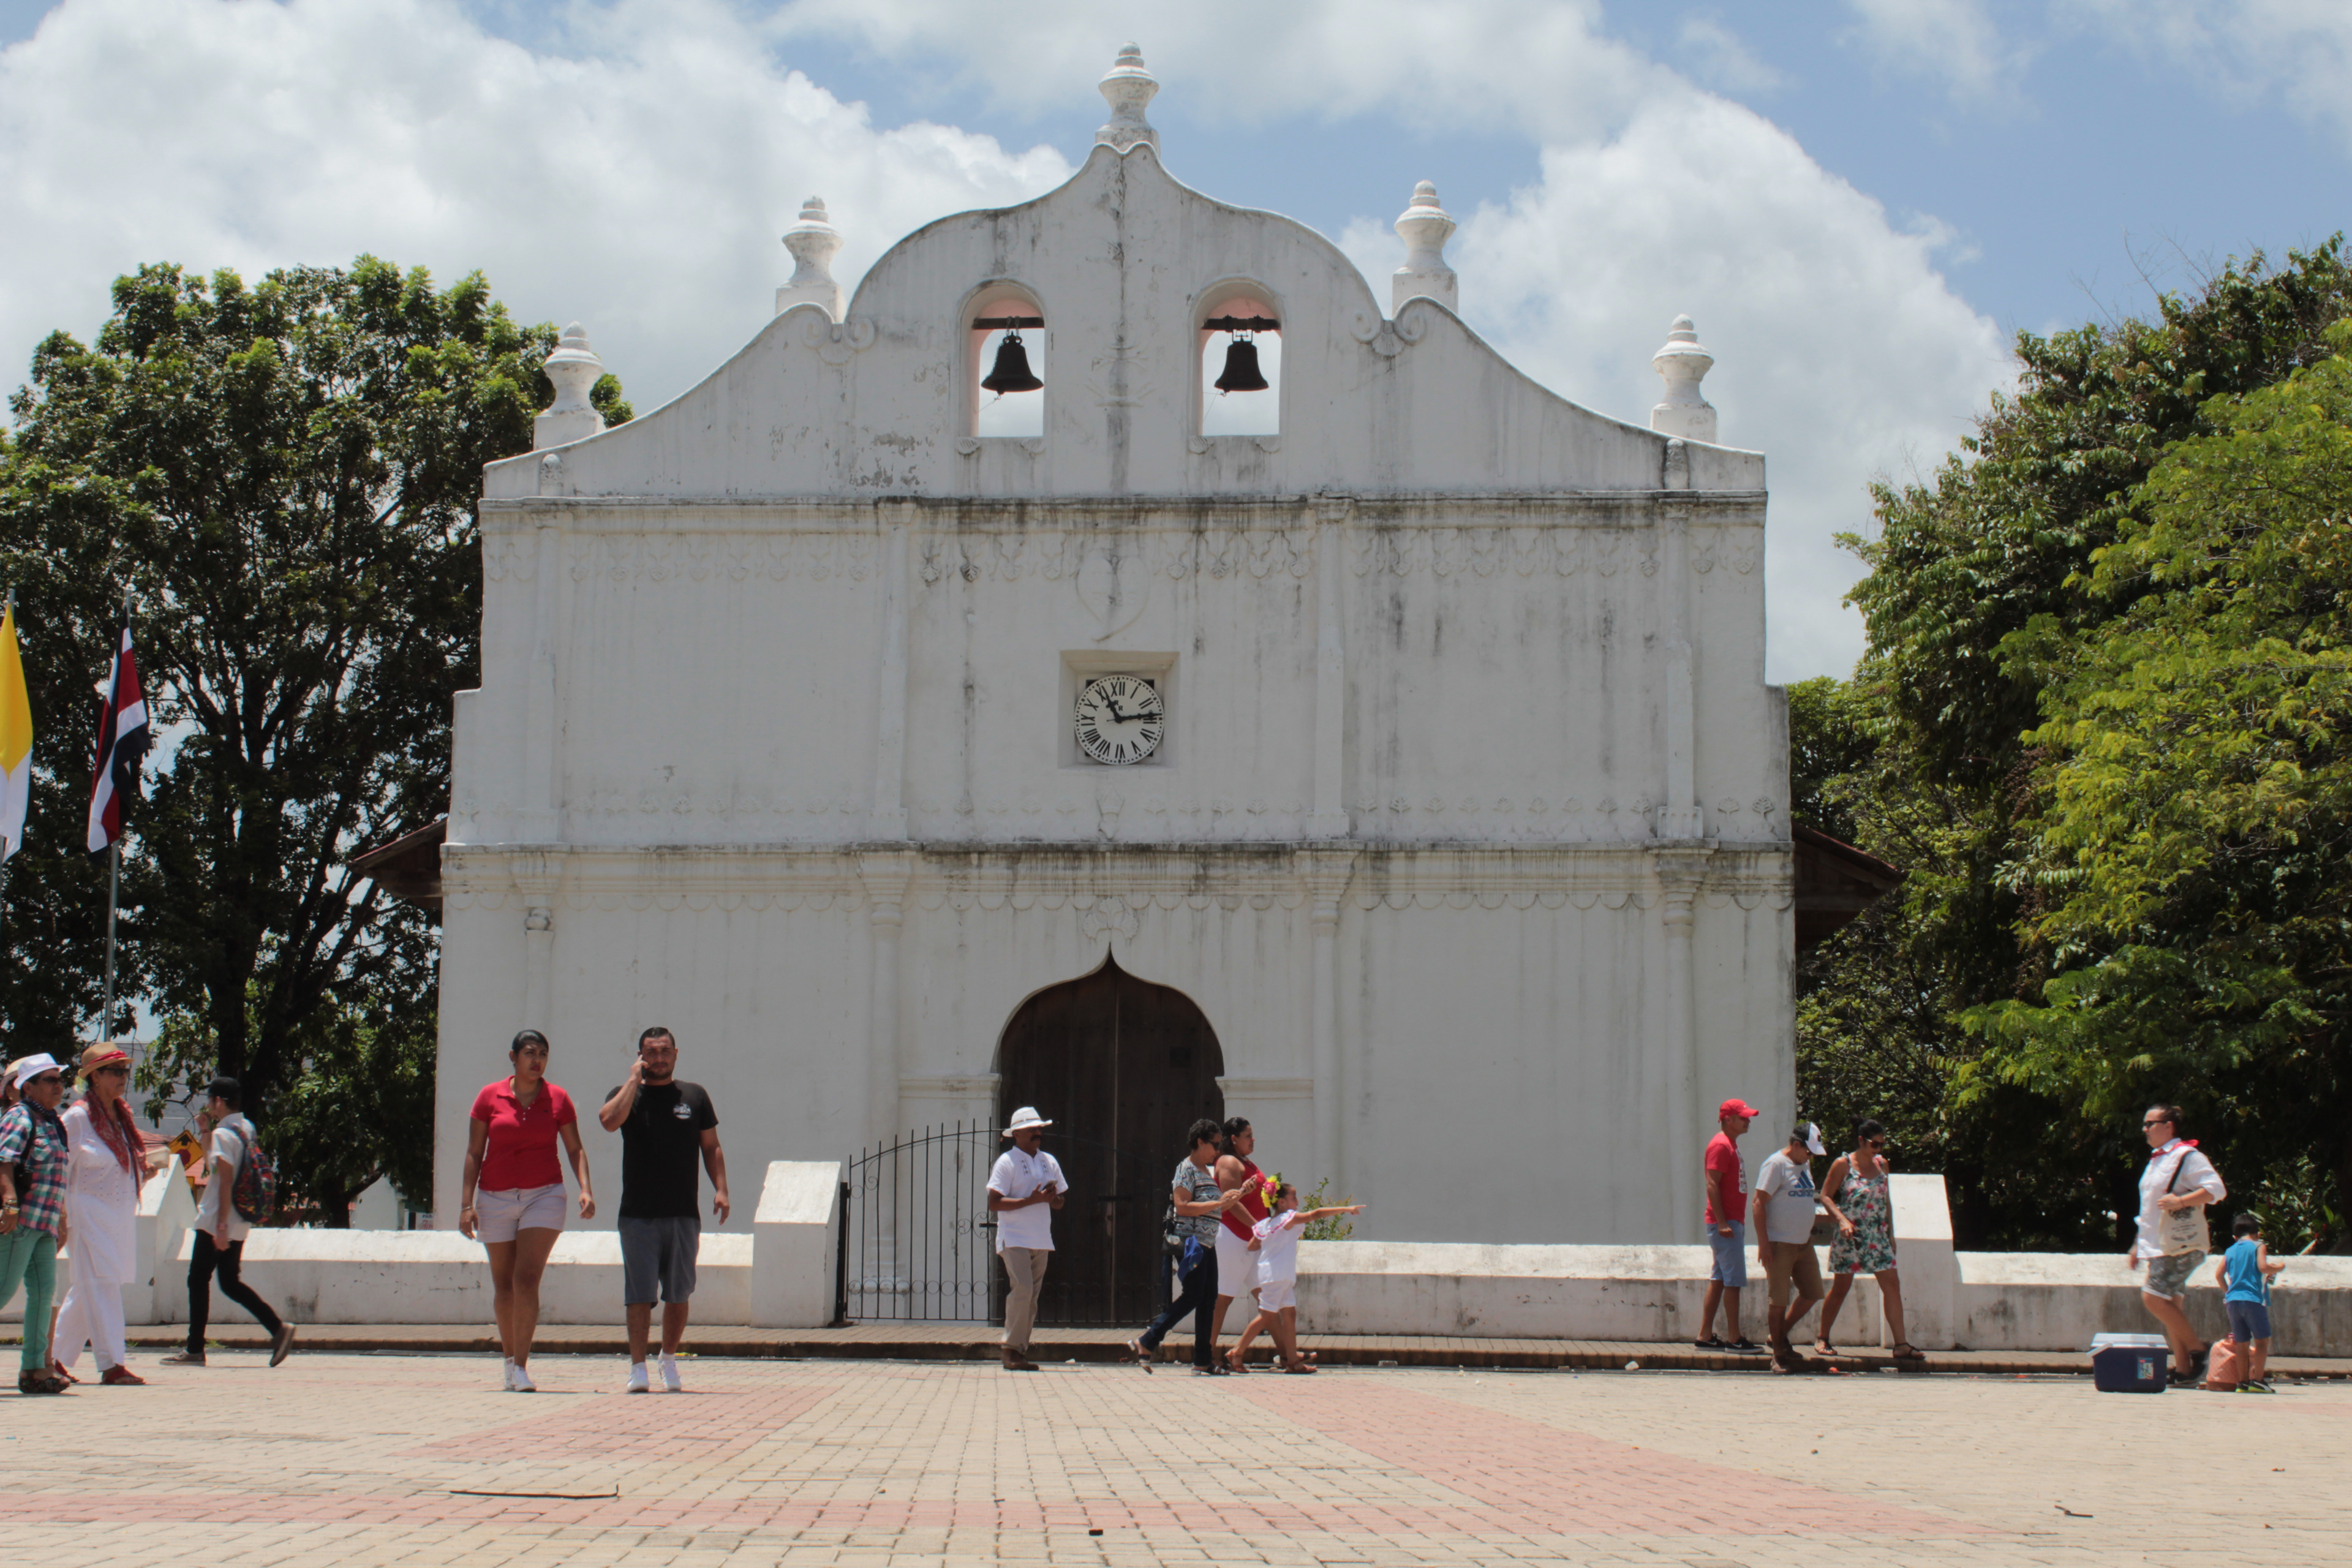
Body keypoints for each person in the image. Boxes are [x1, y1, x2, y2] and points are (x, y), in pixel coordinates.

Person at [461, 1029, 595, 1392]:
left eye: (543, 1055)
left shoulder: (558, 1098)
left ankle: (521, 1367)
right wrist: (465, 1205)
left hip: (544, 1195)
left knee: (526, 1279)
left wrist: (585, 1189)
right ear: (513, 1057)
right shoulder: (489, 1097)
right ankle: (507, 1361)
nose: (537, 1061)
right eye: (530, 1053)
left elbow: (575, 1149)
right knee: (504, 1285)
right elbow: (474, 1153)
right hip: (494, 1196)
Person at [599, 1026, 728, 1393]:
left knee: (679, 1293)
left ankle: (668, 1360)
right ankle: (637, 1367)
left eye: (664, 1051)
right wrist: (631, 1082)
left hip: (683, 1212)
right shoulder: (627, 1095)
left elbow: (711, 1146)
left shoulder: (695, 1096)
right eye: (651, 1052)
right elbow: (608, 1122)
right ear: (640, 1056)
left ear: (676, 1053)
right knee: (638, 1294)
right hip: (637, 1214)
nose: (658, 1058)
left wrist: (721, 1189)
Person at [161, 1076, 295, 1369]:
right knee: (229, 1282)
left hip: (216, 1219)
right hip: (241, 1219)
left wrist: (220, 1227)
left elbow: (223, 1180)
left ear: (218, 1102)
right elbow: (212, 1162)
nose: (208, 1105)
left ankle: (195, 1349)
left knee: (198, 1280)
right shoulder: (245, 1128)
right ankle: (278, 1328)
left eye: (210, 1100)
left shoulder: (225, 1134)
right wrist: (206, 1130)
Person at [52, 1044, 159, 1386]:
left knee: (89, 1288)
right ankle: (112, 1363)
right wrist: (61, 1214)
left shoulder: (122, 1116)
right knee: (101, 1285)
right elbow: (60, 1168)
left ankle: (53, 1359)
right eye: (114, 1071)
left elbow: (122, 1164)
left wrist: (145, 1170)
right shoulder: (78, 1118)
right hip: (86, 1213)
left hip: (116, 1216)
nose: (122, 1077)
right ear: (94, 1076)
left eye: (125, 1071)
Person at [1128, 1118, 1250, 1375]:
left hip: (1207, 1244)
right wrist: (1217, 1204)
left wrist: (1240, 1193)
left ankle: (1202, 1360)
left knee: (1208, 1300)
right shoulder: (1186, 1169)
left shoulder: (1206, 1171)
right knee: (1194, 1295)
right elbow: (1183, 1206)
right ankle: (1148, 1340)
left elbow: (1220, 1206)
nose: (1218, 1150)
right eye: (1215, 1144)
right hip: (1191, 1244)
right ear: (1200, 1142)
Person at [2130, 1103, 2225, 1385]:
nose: (2145, 1129)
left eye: (2151, 1124)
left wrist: (2181, 1201)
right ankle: (2185, 1371)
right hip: (2159, 1245)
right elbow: (2150, 1210)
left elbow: (2216, 1190)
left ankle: (2200, 1350)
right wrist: (2138, 1244)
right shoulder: (2157, 1159)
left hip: (2179, 1246)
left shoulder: (2187, 1156)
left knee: (2153, 1298)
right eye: (2144, 1124)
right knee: (2171, 1305)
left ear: (2169, 1126)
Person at [1813, 1118, 1921, 1360]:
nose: (1879, 1150)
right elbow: (1826, 1196)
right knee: (1841, 1287)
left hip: (1878, 1236)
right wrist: (1841, 1220)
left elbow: (1886, 1200)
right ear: (1862, 1141)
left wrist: (1891, 1234)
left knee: (1892, 1287)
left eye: (1882, 1145)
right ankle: (1822, 1337)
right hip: (1850, 1236)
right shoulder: (1843, 1164)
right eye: (1875, 1144)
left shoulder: (1882, 1164)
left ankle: (1901, 1344)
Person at [0, 1055, 73, 1394]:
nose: (58, 1086)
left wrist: (60, 1218)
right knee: (2, 1291)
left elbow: (55, 1175)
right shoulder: (21, 1116)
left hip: (44, 1223)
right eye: (49, 1080)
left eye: (60, 1079)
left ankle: (33, 1369)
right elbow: (5, 1162)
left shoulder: (52, 1121)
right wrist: (10, 1204)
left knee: (44, 1296)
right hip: (20, 1221)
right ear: (27, 1087)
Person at [1236, 1182, 1362, 1374]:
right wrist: (1346, 1209)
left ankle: (1293, 1362)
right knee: (1267, 1315)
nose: (1297, 1201)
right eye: (1293, 1198)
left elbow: (1253, 1245)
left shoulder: (1266, 1224)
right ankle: (1237, 1352)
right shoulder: (1288, 1218)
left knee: (1289, 1315)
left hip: (1279, 1275)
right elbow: (1316, 1214)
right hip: (1276, 1275)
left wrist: (1273, 1242)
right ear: (1281, 1203)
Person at [986, 1105, 1064, 1372]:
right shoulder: (1006, 1162)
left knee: (1031, 1297)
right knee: (1023, 1290)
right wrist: (1030, 1200)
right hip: (1015, 1237)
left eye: (1039, 1128)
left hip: (1041, 1238)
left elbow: (1060, 1203)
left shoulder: (1049, 1161)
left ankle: (1018, 1350)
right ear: (1016, 1134)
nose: (1038, 1133)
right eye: (1032, 1129)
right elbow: (994, 1203)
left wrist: (1051, 1198)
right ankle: (1010, 1349)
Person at [1754, 1122, 1828, 1371]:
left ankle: (1779, 1336)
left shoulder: (1803, 1164)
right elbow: (1758, 1203)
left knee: (1813, 1292)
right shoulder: (1776, 1165)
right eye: (1808, 1151)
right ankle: (1778, 1355)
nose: (1810, 1157)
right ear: (1796, 1145)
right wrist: (1764, 1243)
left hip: (1803, 1243)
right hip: (1780, 1243)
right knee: (1778, 1301)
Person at [1695, 1096, 1763, 1353]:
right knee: (1733, 1281)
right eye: (1743, 1118)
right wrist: (1723, 1222)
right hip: (1726, 1224)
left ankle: (1705, 1335)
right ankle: (1735, 1339)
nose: (1747, 1122)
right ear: (1728, 1120)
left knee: (1720, 1279)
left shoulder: (1729, 1144)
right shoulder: (1721, 1146)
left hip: (1730, 1221)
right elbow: (1712, 1183)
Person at [1210, 1116, 1274, 1364]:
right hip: (1234, 1239)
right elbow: (1230, 1201)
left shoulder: (1245, 1162)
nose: (1253, 1139)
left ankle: (1290, 1355)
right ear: (1234, 1139)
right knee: (1222, 1300)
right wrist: (1258, 1226)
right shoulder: (1228, 1162)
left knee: (1269, 1301)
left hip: (1253, 1240)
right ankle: (1206, 1353)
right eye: (1248, 1136)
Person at [2213, 1212, 2286, 1393]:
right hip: (2252, 1300)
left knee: (2242, 1344)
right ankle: (2259, 1381)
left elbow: (2218, 1275)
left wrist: (2228, 1292)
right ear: (2257, 1233)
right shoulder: (2258, 1246)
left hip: (2233, 1302)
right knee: (2262, 1341)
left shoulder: (2230, 1250)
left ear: (2235, 1237)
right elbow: (2263, 1267)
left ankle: (2242, 1382)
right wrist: (2278, 1267)